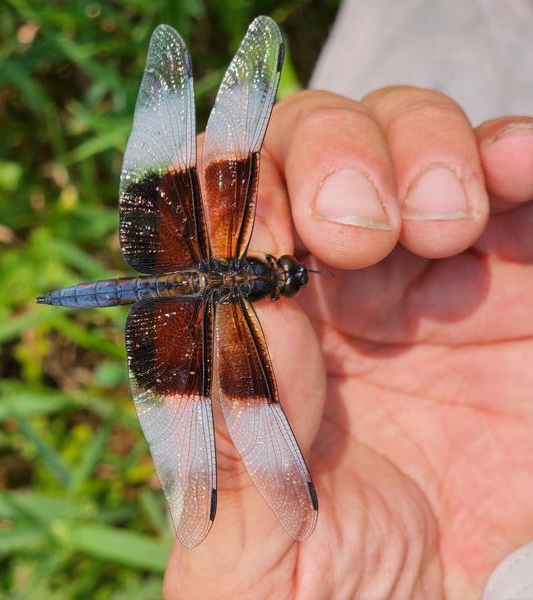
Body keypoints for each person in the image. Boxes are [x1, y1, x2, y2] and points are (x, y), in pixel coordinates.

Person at [162, 5, 533, 597]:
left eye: (285, 273)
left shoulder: (252, 289)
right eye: (288, 273)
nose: (291, 272)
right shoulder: (264, 301)